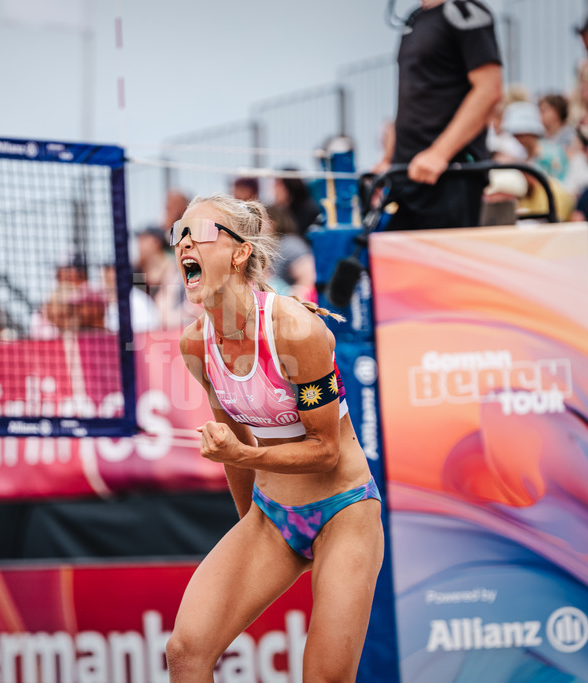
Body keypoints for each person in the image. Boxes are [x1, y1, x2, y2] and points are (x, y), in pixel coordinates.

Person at [166, 194, 383, 682]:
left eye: (197, 232)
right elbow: (233, 444)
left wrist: (241, 452)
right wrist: (252, 530)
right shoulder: (195, 342)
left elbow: (326, 451)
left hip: (344, 510)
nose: (183, 243)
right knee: (185, 652)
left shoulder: (294, 329)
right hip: (272, 515)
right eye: (177, 233)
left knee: (325, 679)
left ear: (240, 252)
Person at [389, 0, 503, 230]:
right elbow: (412, 97)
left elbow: (489, 89)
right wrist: (387, 158)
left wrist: (440, 154)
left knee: (441, 265)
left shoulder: (464, 11)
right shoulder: (416, 18)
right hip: (408, 175)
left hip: (450, 175)